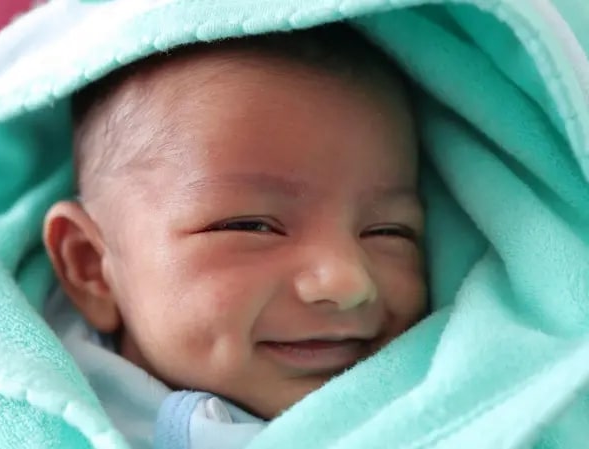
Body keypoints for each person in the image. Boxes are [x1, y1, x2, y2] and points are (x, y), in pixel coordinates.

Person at [42, 23, 427, 449]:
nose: (348, 282)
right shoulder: (33, 410)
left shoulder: (447, 400)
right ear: (92, 266)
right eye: (250, 226)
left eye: (389, 232)